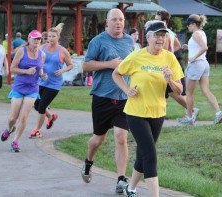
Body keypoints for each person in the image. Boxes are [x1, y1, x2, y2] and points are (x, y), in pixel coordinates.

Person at [112, 20, 184, 197]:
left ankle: (131, 188)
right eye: (157, 35)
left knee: (142, 156)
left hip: (158, 113)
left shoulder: (170, 58)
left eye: (163, 35)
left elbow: (180, 89)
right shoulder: (137, 56)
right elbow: (117, 73)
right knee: (150, 155)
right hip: (136, 112)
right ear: (148, 37)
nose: (160, 39)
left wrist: (170, 80)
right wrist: (127, 90)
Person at [81, 8, 134, 194]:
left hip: (123, 98)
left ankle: (121, 179)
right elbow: (86, 65)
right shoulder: (98, 41)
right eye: (114, 20)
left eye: (121, 19)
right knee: (98, 139)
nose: (118, 23)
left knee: (121, 136)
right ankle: (88, 161)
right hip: (102, 97)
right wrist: (109, 64)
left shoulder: (130, 41)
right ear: (107, 23)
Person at [0, 30, 46, 152]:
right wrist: (26, 71)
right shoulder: (21, 51)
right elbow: (12, 68)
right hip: (19, 87)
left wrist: (43, 76)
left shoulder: (42, 54)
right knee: (13, 118)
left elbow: (40, 69)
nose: (37, 41)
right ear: (29, 39)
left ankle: (15, 141)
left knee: (24, 117)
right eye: (34, 39)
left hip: (32, 88)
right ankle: (9, 129)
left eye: (39, 39)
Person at [179, 14, 222, 125]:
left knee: (189, 93)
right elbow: (200, 47)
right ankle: (219, 113)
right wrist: (189, 47)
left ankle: (189, 118)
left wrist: (193, 57)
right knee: (206, 90)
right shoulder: (202, 33)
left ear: (194, 24)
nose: (187, 27)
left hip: (196, 64)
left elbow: (204, 47)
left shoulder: (195, 34)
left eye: (188, 24)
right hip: (204, 64)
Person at [155, 10, 200, 121]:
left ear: (164, 21)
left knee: (172, 92)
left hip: (166, 66)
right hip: (168, 64)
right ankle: (159, 115)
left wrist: (168, 55)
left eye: (156, 20)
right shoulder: (170, 33)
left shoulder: (165, 34)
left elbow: (163, 49)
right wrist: (171, 53)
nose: (154, 22)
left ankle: (192, 110)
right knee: (165, 92)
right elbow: (178, 45)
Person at [30, 23, 73, 138]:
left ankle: (37, 130)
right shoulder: (42, 47)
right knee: (36, 105)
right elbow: (34, 58)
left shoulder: (62, 51)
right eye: (49, 36)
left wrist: (62, 70)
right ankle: (51, 116)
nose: (51, 38)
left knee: (42, 107)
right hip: (41, 81)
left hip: (54, 84)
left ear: (57, 37)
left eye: (53, 36)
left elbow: (70, 65)